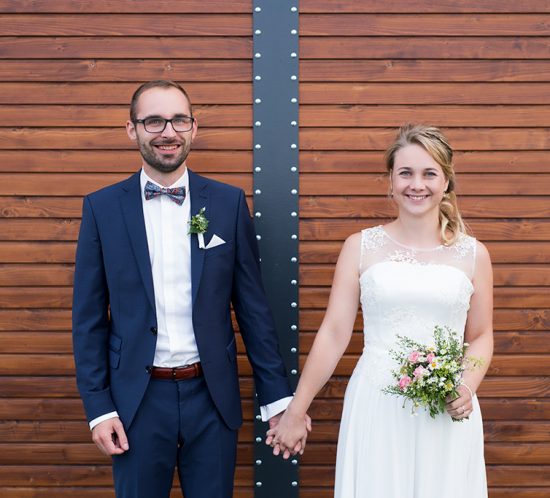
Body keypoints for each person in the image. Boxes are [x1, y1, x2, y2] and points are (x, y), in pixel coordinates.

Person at [72, 80, 301, 498]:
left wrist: (278, 400)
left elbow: (252, 310)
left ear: (193, 128)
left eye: (179, 120)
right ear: (132, 129)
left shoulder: (228, 203)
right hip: (135, 403)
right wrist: (99, 408)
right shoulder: (101, 208)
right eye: (154, 121)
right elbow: (88, 321)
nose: (168, 132)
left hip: (211, 398)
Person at [266, 124, 493, 497]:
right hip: (377, 403)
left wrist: (467, 385)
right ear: (390, 181)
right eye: (405, 173)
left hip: (447, 407)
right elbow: (335, 333)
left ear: (447, 182)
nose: (416, 184)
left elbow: (481, 335)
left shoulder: (474, 255)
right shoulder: (360, 247)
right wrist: (296, 409)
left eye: (429, 173)